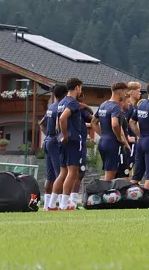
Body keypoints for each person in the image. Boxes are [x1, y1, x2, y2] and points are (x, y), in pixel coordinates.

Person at [53, 77, 86, 210]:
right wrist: (66, 135)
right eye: (81, 88)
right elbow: (62, 118)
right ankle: (64, 204)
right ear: (77, 87)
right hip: (72, 140)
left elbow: (57, 122)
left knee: (63, 172)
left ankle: (50, 205)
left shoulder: (62, 102)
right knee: (73, 172)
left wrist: (61, 135)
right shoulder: (72, 102)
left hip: (62, 140)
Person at [92, 82, 129, 180]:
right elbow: (115, 124)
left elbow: (93, 122)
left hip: (103, 141)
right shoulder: (115, 106)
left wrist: (103, 134)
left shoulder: (103, 104)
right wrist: (118, 137)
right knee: (110, 175)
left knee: (110, 172)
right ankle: (105, 194)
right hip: (112, 143)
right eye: (125, 92)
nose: (125, 95)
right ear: (120, 92)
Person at [40, 84, 67, 210]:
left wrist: (48, 135)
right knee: (60, 174)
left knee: (49, 176)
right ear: (65, 94)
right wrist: (57, 137)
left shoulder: (51, 107)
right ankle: (61, 204)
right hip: (55, 143)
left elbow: (41, 124)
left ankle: (46, 205)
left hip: (47, 141)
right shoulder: (60, 108)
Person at [124, 82, 143, 182]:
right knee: (126, 169)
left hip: (135, 143)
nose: (140, 93)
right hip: (129, 144)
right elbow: (123, 122)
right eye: (138, 91)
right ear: (131, 92)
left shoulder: (135, 107)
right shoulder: (128, 107)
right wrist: (126, 136)